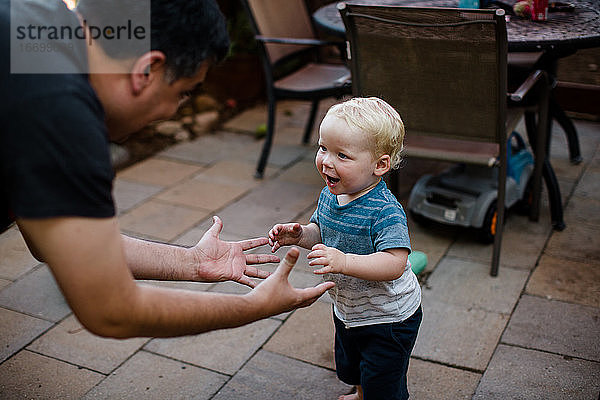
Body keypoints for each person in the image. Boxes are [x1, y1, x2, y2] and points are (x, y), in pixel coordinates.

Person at [0, 0, 334, 339]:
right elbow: (112, 310)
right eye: (182, 93)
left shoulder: (38, 22)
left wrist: (193, 262)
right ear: (147, 70)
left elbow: (52, 241)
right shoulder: (62, 114)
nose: (172, 111)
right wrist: (255, 307)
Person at [268, 97, 422, 400]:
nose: (326, 161)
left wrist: (344, 261)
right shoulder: (330, 194)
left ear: (380, 165)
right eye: (323, 148)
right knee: (352, 365)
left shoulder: (385, 212)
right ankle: (362, 392)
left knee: (384, 382)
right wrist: (299, 235)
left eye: (342, 155)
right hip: (349, 307)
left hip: (388, 317)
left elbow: (394, 263)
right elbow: (322, 233)